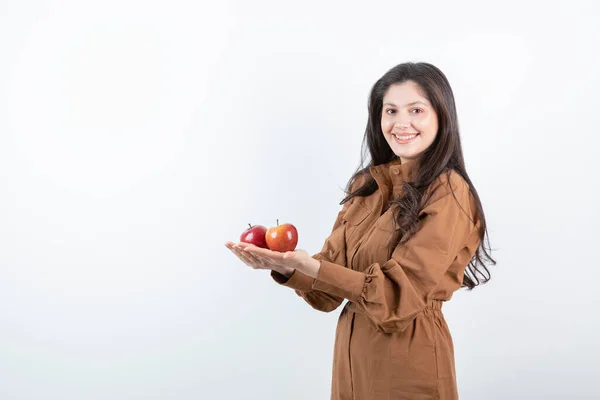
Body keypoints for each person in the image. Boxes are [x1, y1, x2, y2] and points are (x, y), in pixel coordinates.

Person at [225, 61, 496, 400]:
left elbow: (398, 298)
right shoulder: (367, 185)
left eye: (416, 110)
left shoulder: (449, 193)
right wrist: (286, 266)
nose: (401, 123)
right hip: (351, 369)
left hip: (410, 367)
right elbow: (328, 293)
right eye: (391, 110)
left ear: (441, 116)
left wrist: (313, 267)